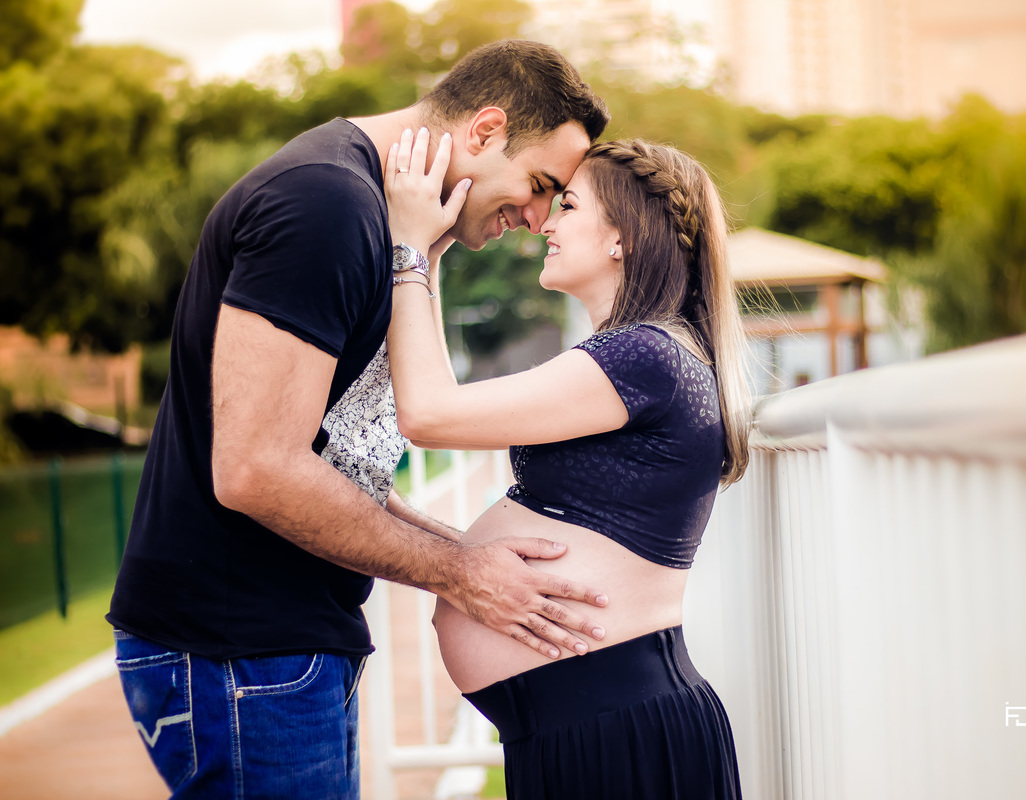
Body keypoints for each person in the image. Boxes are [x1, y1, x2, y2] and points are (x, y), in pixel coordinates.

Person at [106, 41, 611, 799]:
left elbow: (336, 465)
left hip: (272, 650)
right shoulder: (325, 205)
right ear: (484, 130)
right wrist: (461, 574)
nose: (538, 217)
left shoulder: (380, 217)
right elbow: (256, 469)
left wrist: (473, 556)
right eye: (540, 186)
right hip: (239, 652)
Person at [384, 130, 751, 798]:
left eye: (570, 206)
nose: (546, 224)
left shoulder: (642, 358)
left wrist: (409, 246)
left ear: (623, 238)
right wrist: (430, 256)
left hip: (613, 733)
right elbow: (439, 404)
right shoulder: (641, 354)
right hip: (587, 727)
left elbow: (429, 414)